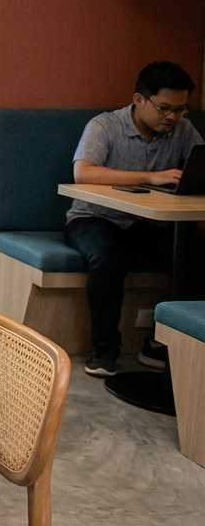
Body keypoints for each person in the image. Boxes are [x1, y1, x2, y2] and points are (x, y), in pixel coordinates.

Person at [67, 61, 202, 377]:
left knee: (196, 254)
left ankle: (164, 344)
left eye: (180, 110)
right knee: (106, 256)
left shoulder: (183, 130)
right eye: (165, 108)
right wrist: (151, 178)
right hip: (94, 218)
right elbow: (83, 172)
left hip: (149, 222)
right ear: (139, 99)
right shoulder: (105, 126)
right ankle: (105, 351)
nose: (172, 117)